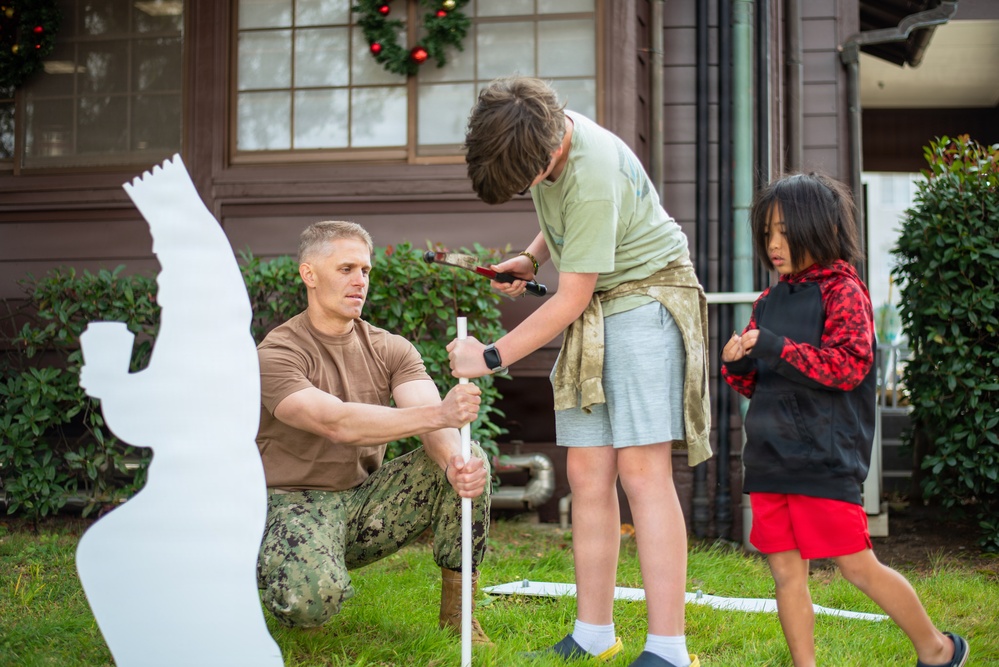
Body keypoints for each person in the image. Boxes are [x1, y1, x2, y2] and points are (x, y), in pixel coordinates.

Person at [450, 76, 710, 667]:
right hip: (602, 304)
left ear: (548, 153)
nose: (526, 190)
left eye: (526, 180)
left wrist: (490, 357)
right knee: (588, 473)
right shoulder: (549, 137)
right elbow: (558, 213)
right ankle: (594, 633)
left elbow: (568, 301)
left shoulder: (591, 175)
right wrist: (532, 255)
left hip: (646, 302)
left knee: (643, 473)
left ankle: (670, 650)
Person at [721, 173, 969, 667]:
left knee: (857, 566)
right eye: (767, 232)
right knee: (787, 575)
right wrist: (738, 364)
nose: (774, 243)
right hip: (771, 457)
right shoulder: (768, 303)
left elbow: (846, 367)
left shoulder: (844, 292)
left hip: (823, 456)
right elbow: (760, 384)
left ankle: (939, 650)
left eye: (785, 232)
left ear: (821, 228)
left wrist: (772, 345)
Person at [254, 220, 492, 644]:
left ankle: (460, 617)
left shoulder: (390, 347)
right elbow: (336, 422)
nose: (359, 280)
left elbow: (425, 414)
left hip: (364, 499)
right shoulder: (278, 352)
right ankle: (282, 564)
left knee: (467, 452)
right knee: (310, 603)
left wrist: (454, 465)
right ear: (309, 274)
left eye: (365, 270)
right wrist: (440, 414)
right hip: (292, 502)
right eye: (346, 269)